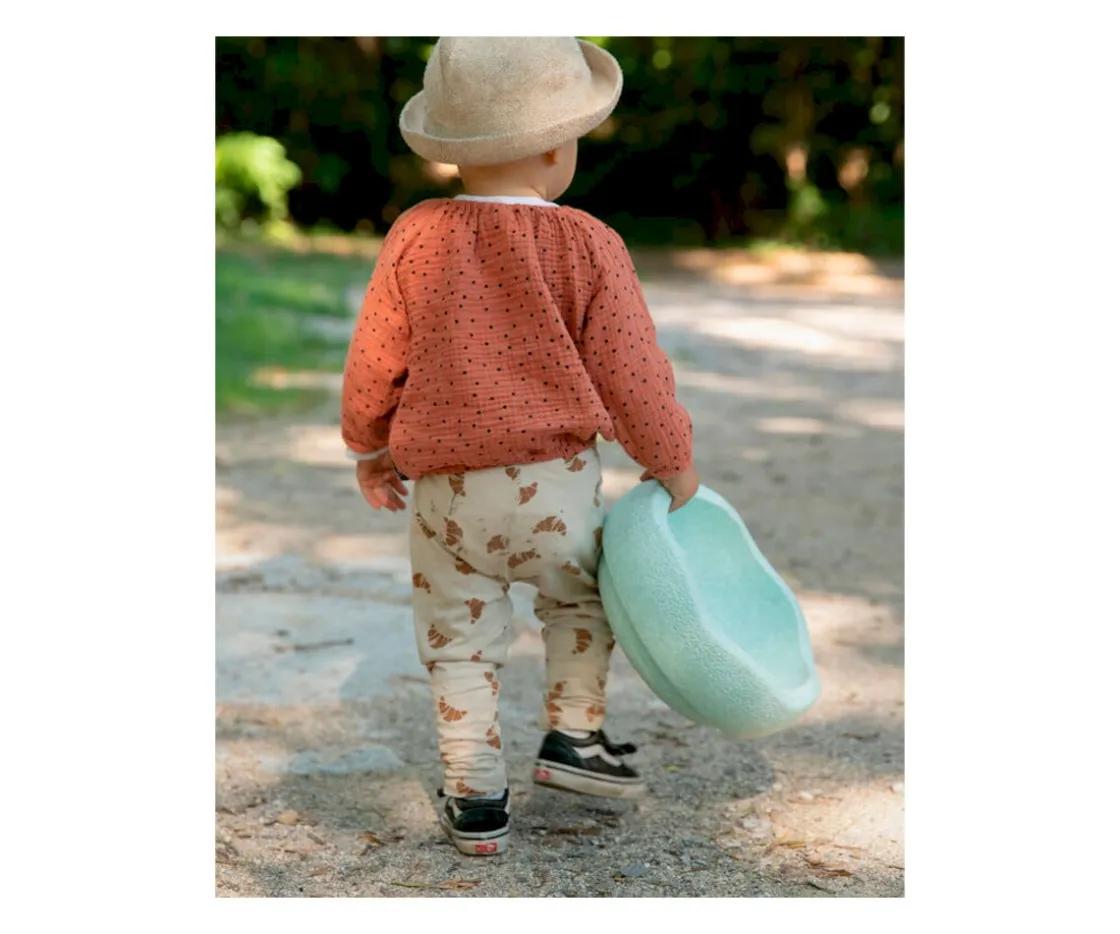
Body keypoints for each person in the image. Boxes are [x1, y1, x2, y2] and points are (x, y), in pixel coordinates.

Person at [341, 36, 698, 856]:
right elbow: (631, 370)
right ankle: (574, 735)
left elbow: (376, 355)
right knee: (583, 598)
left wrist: (368, 444)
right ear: (552, 146)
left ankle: (475, 796)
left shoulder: (417, 234)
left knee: (458, 640)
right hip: (555, 485)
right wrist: (671, 459)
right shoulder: (588, 242)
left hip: (447, 497)